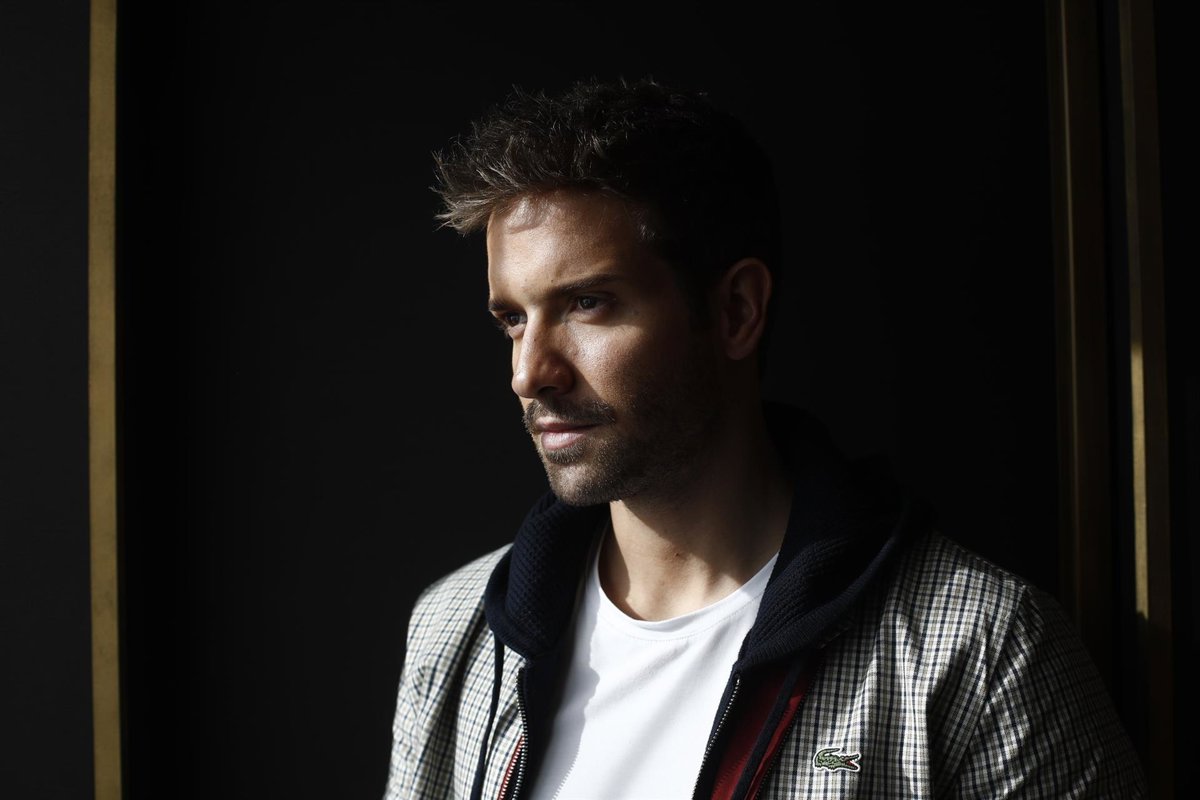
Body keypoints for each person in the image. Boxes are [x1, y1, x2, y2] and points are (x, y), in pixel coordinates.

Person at [383, 76, 1145, 799]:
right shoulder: (455, 631)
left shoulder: (978, 649)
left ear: (737, 311)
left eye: (587, 304)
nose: (530, 372)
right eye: (514, 319)